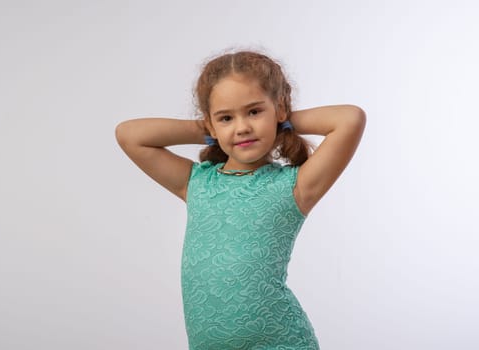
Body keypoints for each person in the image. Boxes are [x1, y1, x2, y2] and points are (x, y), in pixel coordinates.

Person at [115, 50, 366, 350]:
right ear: (210, 123)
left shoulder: (295, 186)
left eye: (254, 112)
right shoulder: (196, 183)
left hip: (280, 342)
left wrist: (281, 120)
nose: (242, 127)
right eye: (226, 117)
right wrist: (212, 130)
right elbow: (129, 134)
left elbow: (350, 119)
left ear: (279, 109)